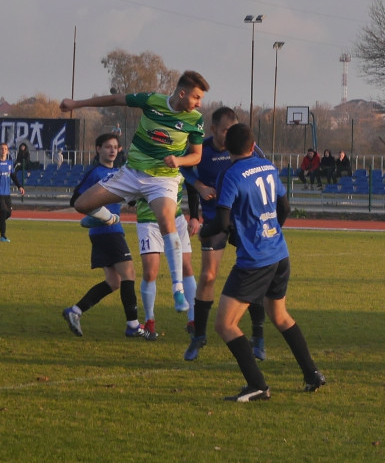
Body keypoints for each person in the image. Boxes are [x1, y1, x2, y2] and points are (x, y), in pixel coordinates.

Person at [60, 71, 209, 316]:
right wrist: (77, 104)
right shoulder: (151, 101)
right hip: (132, 173)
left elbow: (197, 155)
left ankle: (178, 290)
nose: (199, 103)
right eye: (196, 97)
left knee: (166, 220)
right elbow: (115, 100)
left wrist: (179, 160)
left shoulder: (195, 119)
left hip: (163, 180)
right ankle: (107, 217)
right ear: (182, 93)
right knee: (81, 204)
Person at [203, 123, 326, 402]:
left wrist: (203, 230)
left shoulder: (230, 175)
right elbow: (284, 207)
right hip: (279, 253)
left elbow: (222, 221)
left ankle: (257, 385)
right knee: (280, 316)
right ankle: (312, 373)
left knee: (224, 324)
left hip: (255, 261)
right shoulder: (268, 166)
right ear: (253, 143)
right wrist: (271, 231)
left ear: (226, 148)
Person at [181, 106, 269, 361]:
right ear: (213, 130)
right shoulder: (202, 150)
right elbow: (186, 171)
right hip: (215, 218)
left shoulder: (248, 149)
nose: (229, 136)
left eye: (232, 130)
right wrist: (199, 188)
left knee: (252, 276)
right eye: (224, 131)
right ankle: (199, 336)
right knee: (208, 276)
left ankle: (258, 336)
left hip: (245, 220)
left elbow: (263, 172)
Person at [62, 133, 147, 338]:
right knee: (129, 274)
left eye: (115, 147)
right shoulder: (95, 173)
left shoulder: (120, 172)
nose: (112, 150)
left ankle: (75, 311)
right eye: (107, 146)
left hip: (106, 233)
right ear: (98, 148)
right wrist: (103, 215)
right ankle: (133, 325)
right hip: (108, 232)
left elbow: (131, 200)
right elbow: (76, 200)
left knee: (114, 282)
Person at [134, 176, 199, 341]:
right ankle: (150, 321)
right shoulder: (142, 159)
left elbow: (192, 186)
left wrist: (194, 216)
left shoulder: (179, 159)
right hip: (148, 221)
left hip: (175, 219)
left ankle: (193, 320)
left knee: (186, 266)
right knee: (150, 272)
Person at [0, 142, 26, 242]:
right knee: (3, 211)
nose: (3, 151)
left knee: (8, 213)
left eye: (5, 149)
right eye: (1, 149)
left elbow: (13, 176)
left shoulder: (9, 163)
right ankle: (3, 236)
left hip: (7, 193)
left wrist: (20, 186)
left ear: (7, 151)